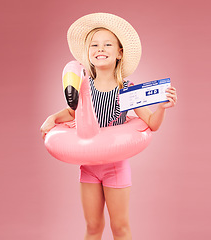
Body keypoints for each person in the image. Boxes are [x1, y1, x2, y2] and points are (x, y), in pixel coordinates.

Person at [40, 13, 177, 240]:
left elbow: (152, 124)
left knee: (120, 228)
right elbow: (72, 113)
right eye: (94, 45)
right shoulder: (84, 86)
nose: (99, 49)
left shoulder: (127, 89)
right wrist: (51, 118)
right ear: (88, 53)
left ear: (119, 53)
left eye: (107, 44)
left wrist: (161, 108)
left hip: (115, 168)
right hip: (89, 167)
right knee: (93, 227)